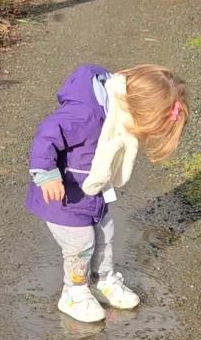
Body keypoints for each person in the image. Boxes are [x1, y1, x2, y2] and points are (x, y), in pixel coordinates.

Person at [26, 63, 188, 322]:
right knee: (80, 245)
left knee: (106, 232)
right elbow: (47, 135)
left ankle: (104, 279)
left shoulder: (113, 111)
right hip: (63, 196)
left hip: (93, 194)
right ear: (136, 108)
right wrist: (46, 175)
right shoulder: (85, 115)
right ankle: (74, 292)